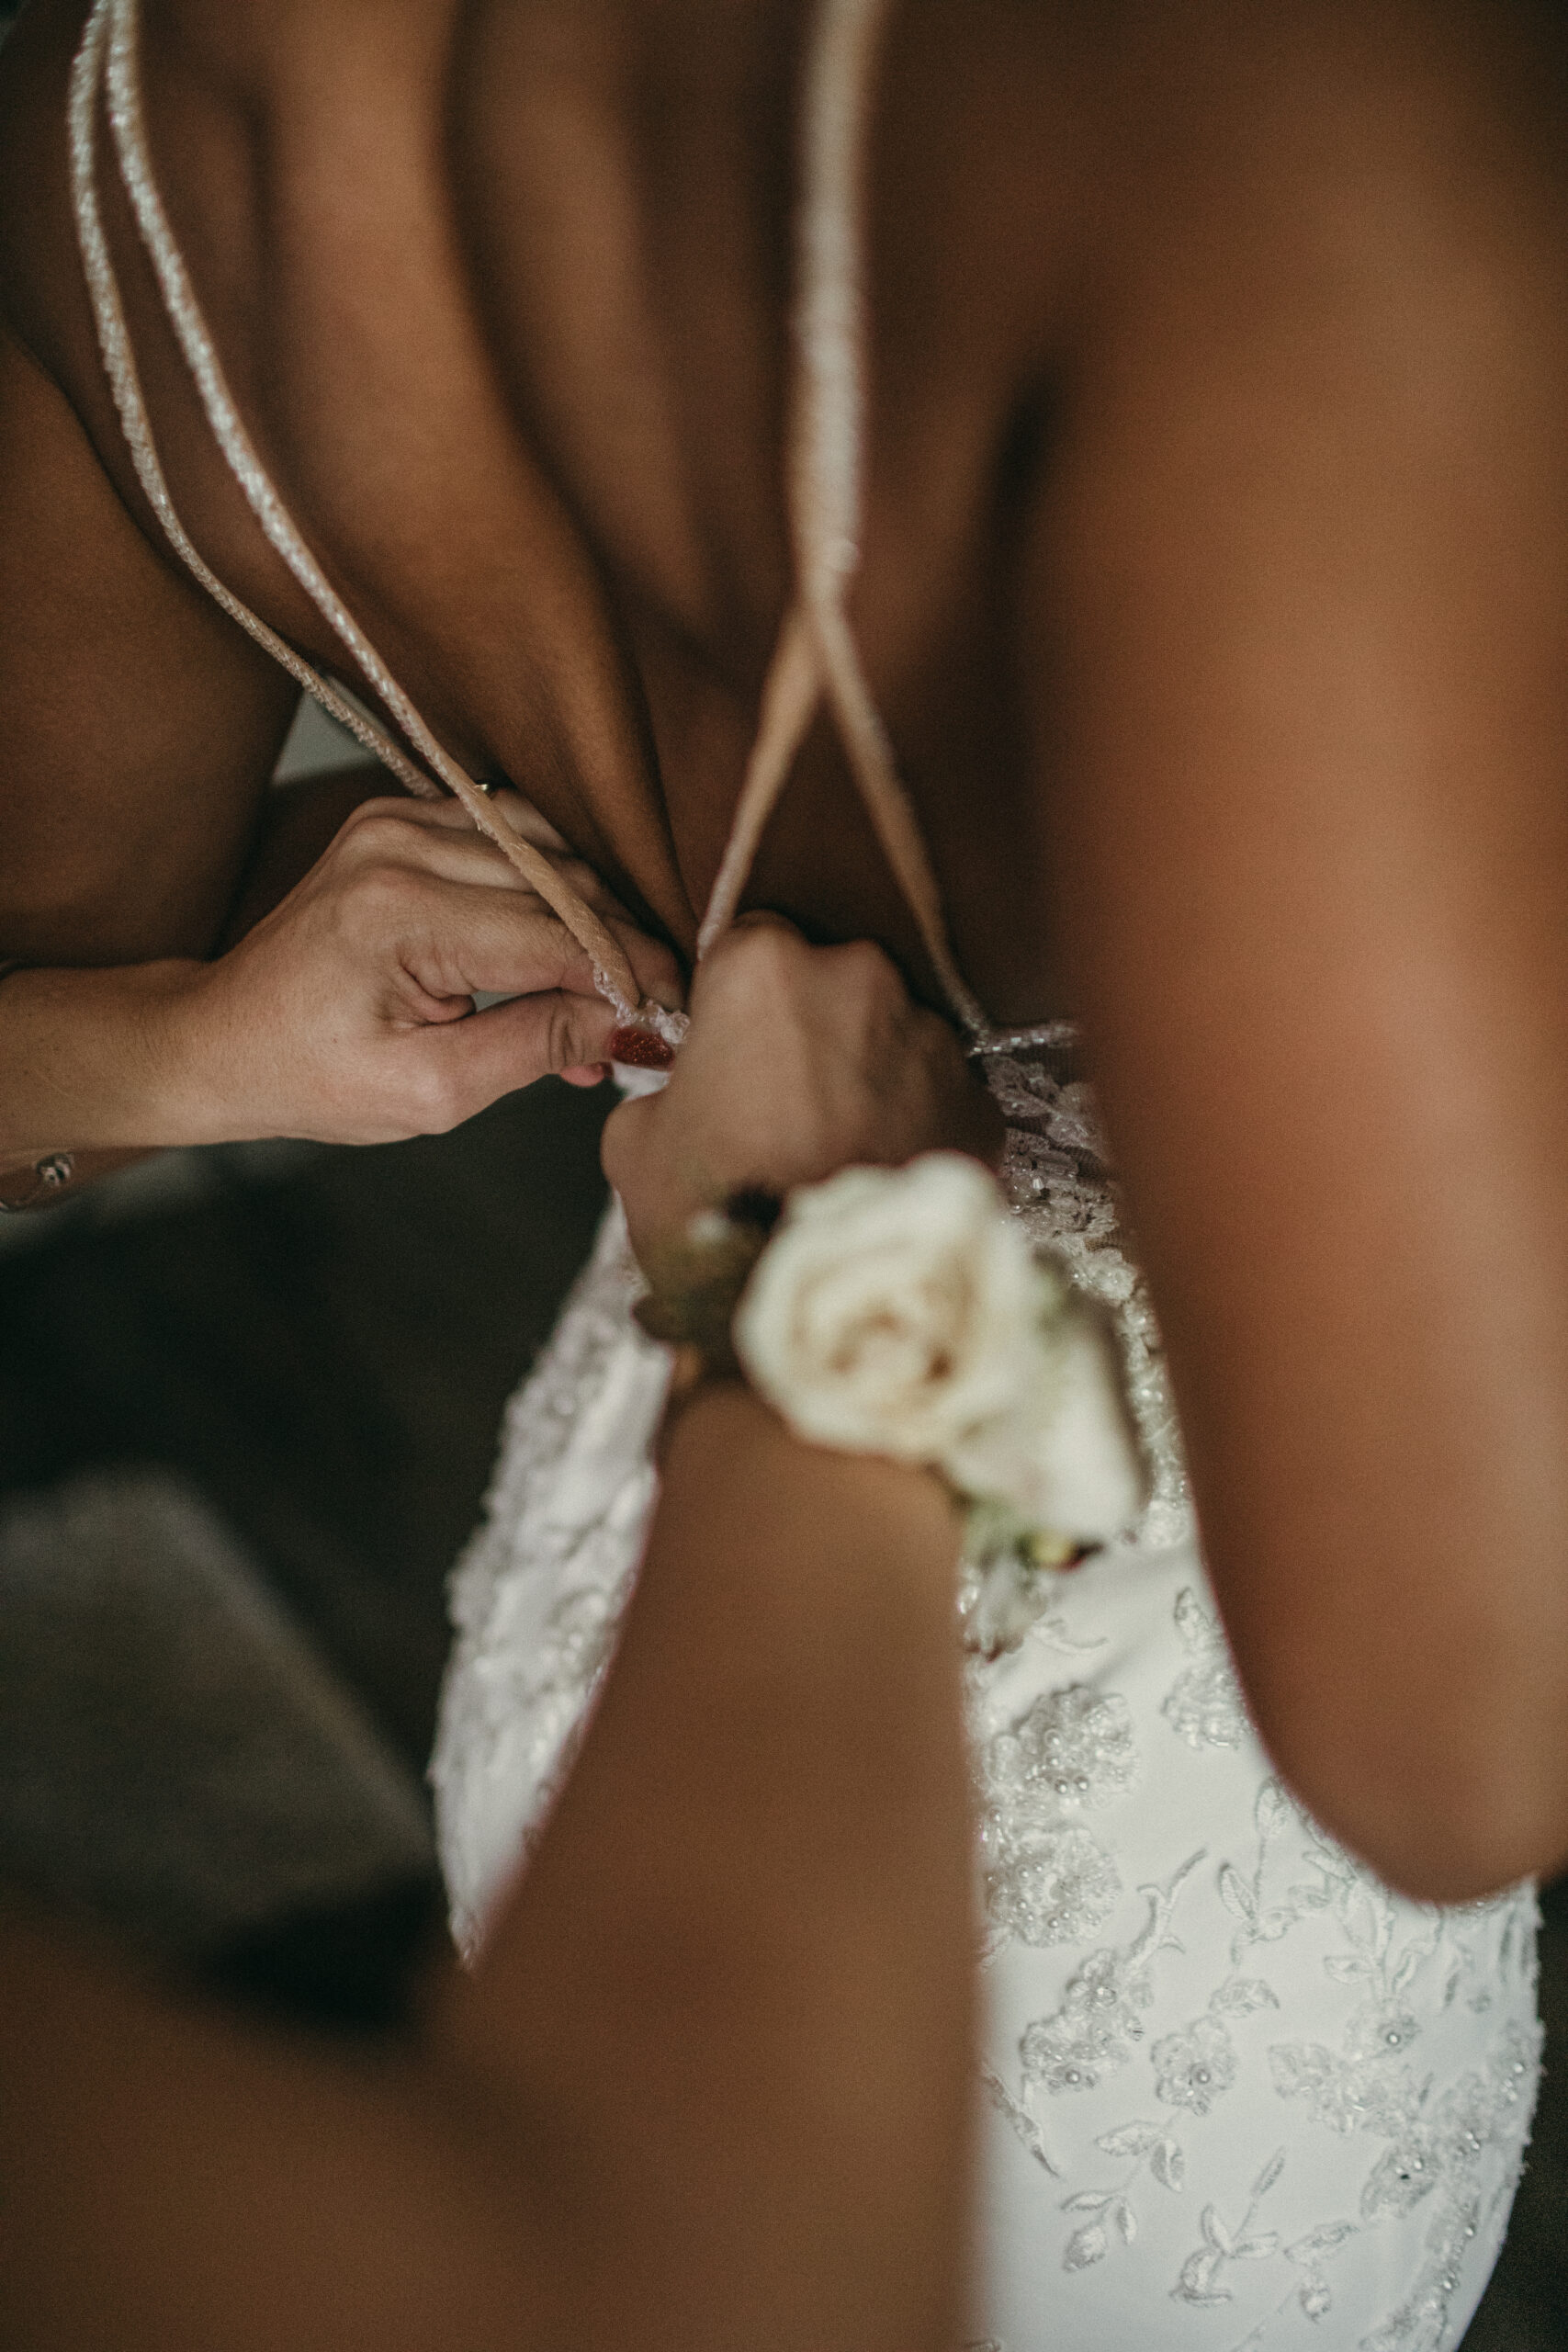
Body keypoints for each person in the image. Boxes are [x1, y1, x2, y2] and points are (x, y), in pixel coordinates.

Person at [1, 0, 1565, 2344]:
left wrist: (184, 1043)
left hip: (633, 1635)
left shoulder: (101, 125)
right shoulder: (1293, 124)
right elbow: (1449, 1747)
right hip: (1151, 1906)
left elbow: (48, 1017)